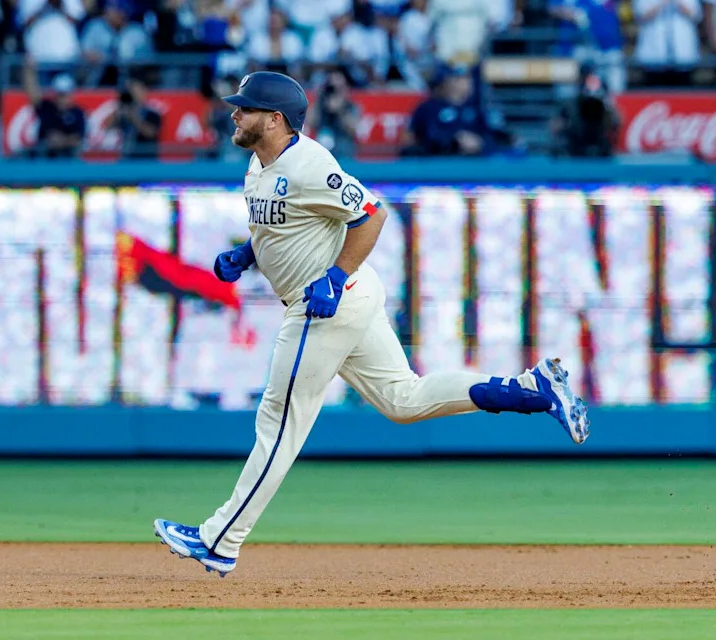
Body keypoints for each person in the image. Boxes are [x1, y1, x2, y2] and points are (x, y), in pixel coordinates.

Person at [153, 71, 590, 576]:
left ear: (275, 119)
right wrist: (248, 252)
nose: (235, 114)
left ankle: (220, 540)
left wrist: (336, 276)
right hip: (347, 300)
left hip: (327, 305)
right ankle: (530, 389)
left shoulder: (310, 164)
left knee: (278, 424)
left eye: (246, 108)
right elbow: (293, 222)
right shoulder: (258, 163)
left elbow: (371, 214)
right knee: (404, 400)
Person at [401, 63, 500, 157]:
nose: (466, 83)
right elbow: (418, 136)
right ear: (447, 80)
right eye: (460, 79)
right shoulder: (429, 107)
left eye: (468, 78)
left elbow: (490, 135)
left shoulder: (477, 108)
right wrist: (455, 140)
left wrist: (478, 142)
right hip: (437, 164)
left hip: (472, 164)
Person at [22, 57, 86, 158]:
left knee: (76, 151)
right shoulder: (47, 107)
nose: (62, 98)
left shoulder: (78, 112)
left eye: (65, 94)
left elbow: (79, 139)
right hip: (45, 153)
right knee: (21, 154)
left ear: (71, 95)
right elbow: (32, 92)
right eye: (59, 94)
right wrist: (29, 70)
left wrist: (61, 141)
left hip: (68, 154)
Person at [550, 65, 618, 157]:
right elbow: (565, 111)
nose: (584, 76)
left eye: (586, 73)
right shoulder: (575, 93)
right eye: (583, 74)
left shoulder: (599, 84)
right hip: (579, 127)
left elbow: (609, 108)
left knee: (615, 117)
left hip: (597, 125)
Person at [104, 76, 162, 158]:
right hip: (126, 158)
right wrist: (118, 112)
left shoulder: (153, 113)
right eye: (131, 91)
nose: (134, 94)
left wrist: (134, 118)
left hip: (146, 159)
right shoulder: (124, 111)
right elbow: (107, 127)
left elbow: (151, 133)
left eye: (136, 90)